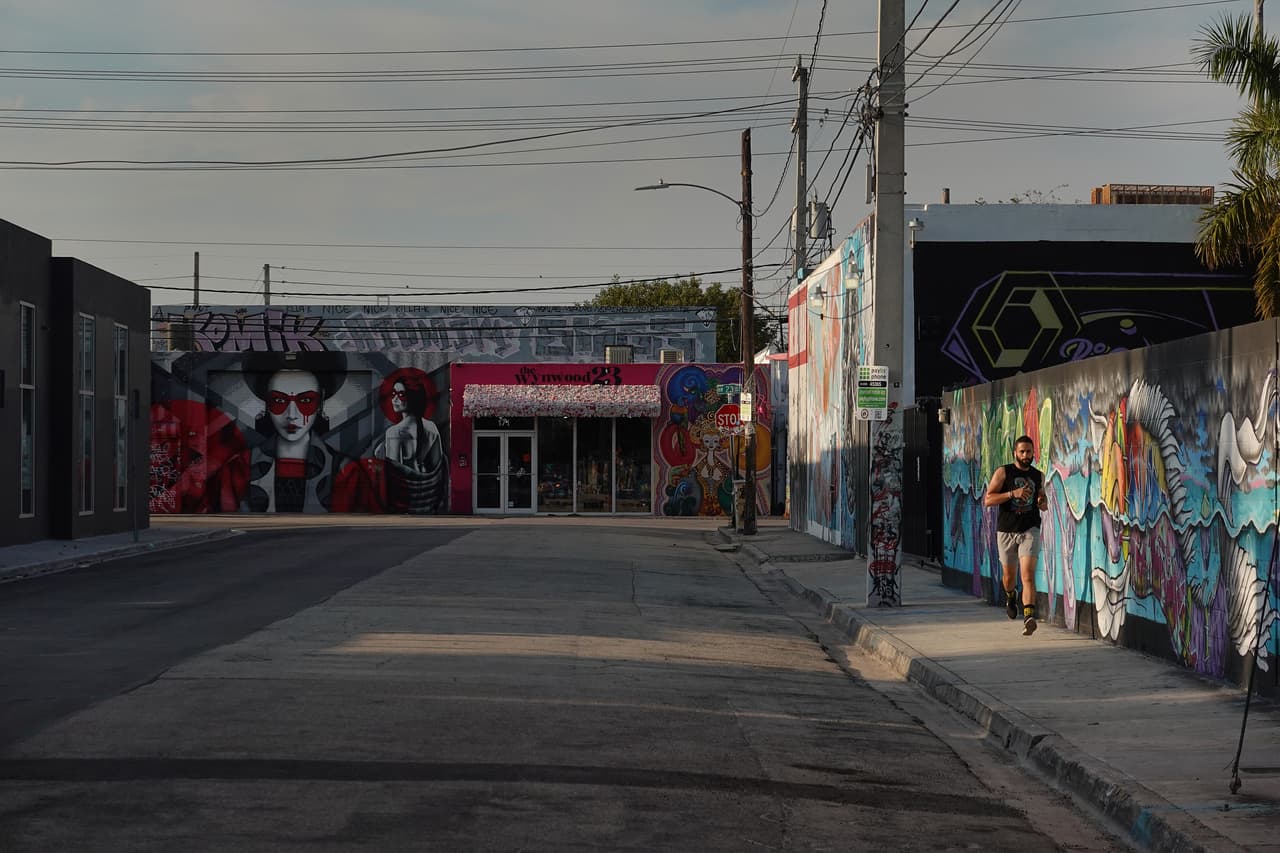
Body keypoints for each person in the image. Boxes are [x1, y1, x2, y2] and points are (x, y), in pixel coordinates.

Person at [984, 435, 1048, 636]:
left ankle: (1029, 616)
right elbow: (988, 499)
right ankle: (1011, 596)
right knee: (1009, 577)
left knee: (1028, 574)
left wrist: (1041, 501)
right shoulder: (1004, 472)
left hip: (1030, 529)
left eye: (1029, 451)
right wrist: (1013, 494)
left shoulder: (1039, 475)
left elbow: (1041, 495)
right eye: (1022, 451)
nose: (1026, 455)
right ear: (1015, 453)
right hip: (1006, 530)